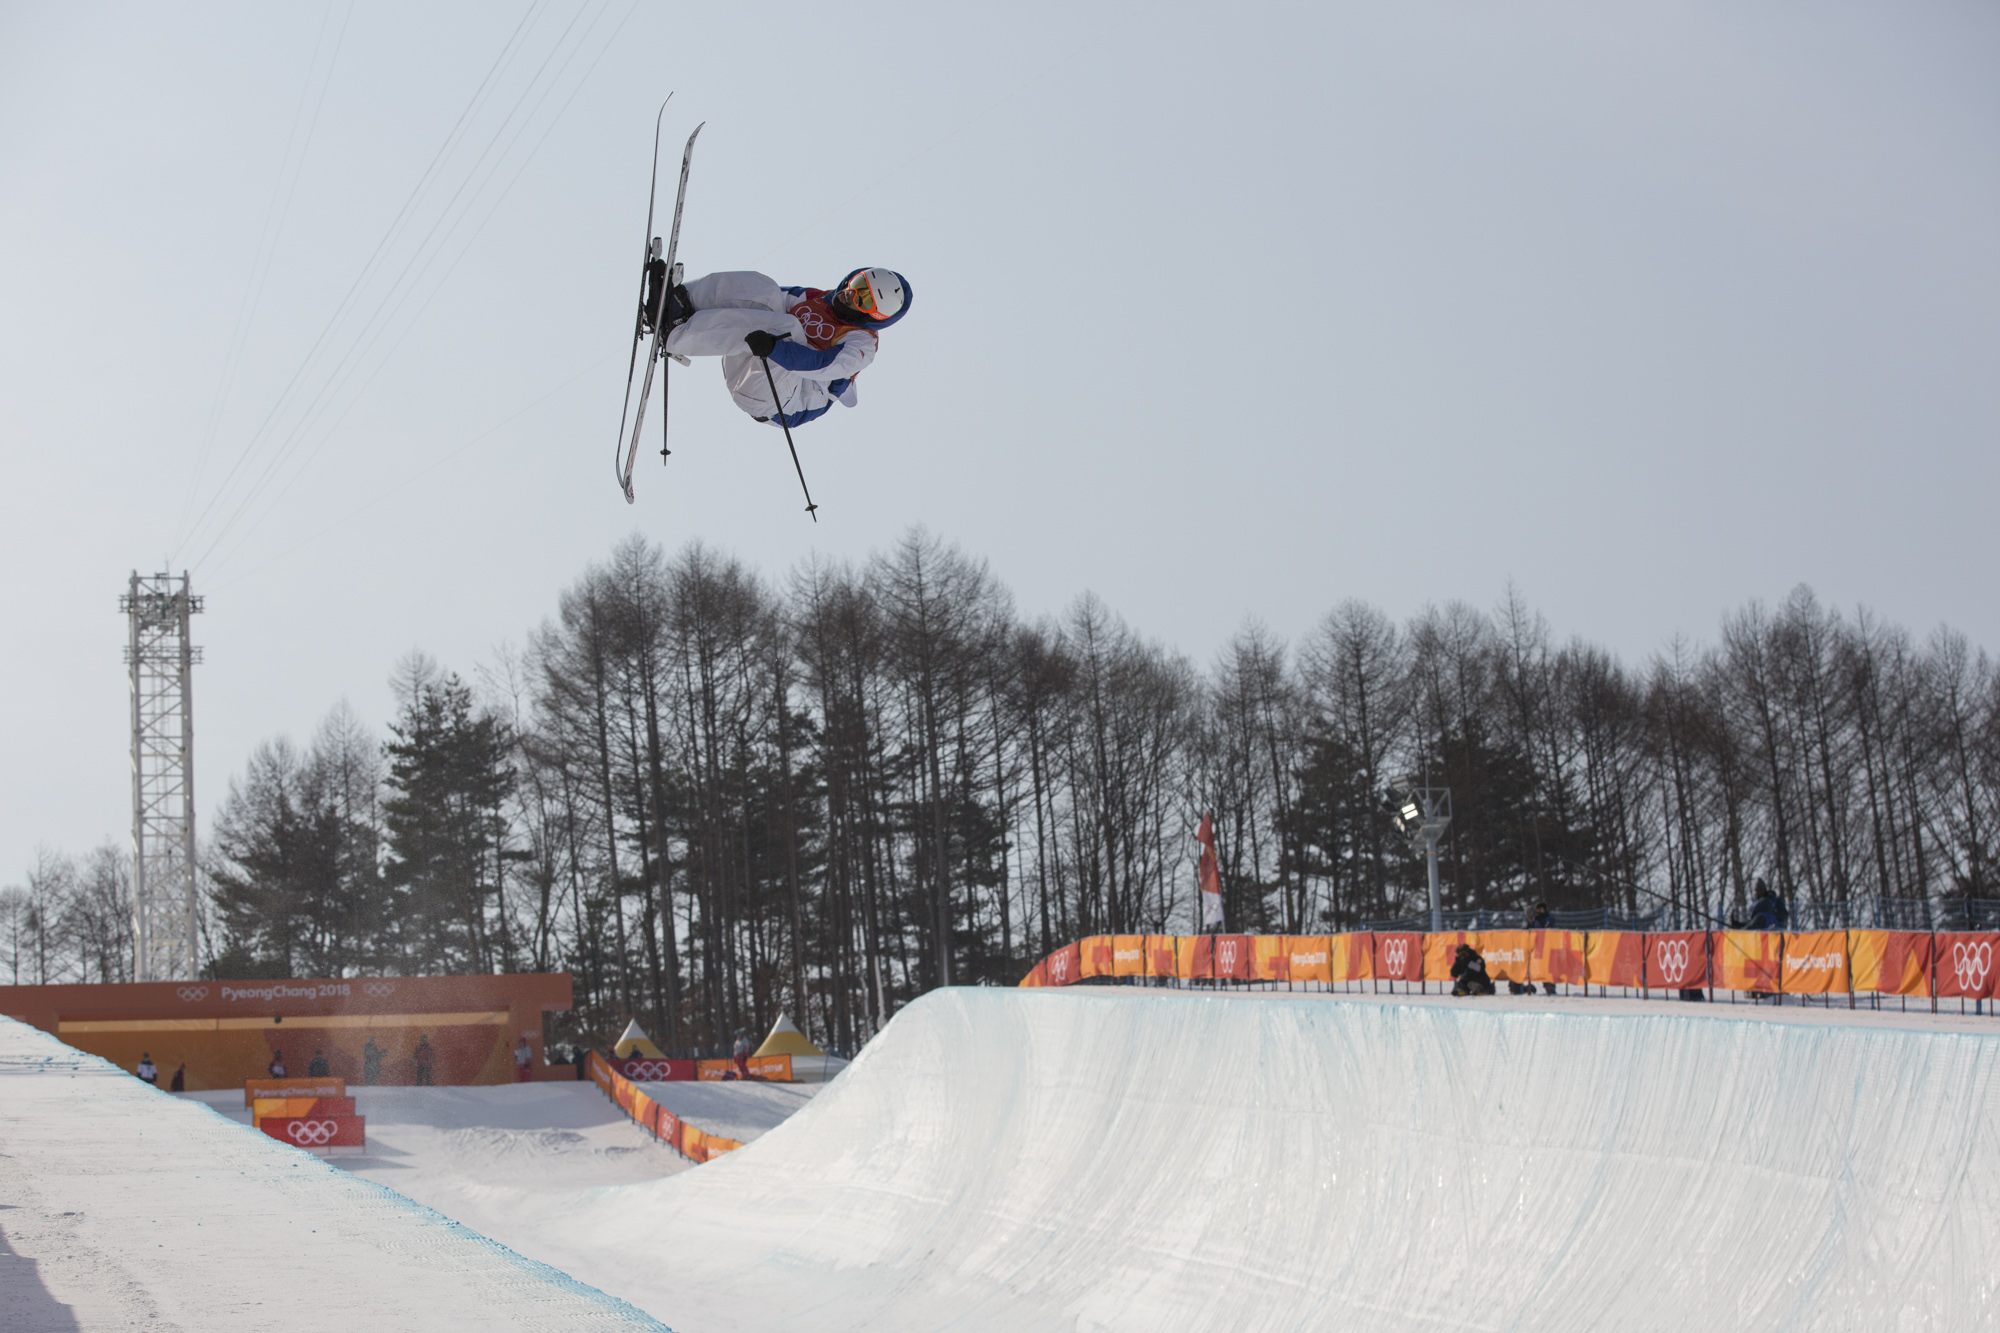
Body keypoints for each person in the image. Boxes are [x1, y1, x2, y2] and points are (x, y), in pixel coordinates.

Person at [648, 268, 912, 429]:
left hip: (777, 401)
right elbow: (751, 301)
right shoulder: (814, 297)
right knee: (767, 290)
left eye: (862, 299)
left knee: (788, 327)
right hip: (753, 359)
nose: (850, 295)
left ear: (873, 316)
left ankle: (675, 335)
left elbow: (821, 365)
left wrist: (775, 348)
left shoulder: (862, 344)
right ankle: (680, 299)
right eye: (858, 285)